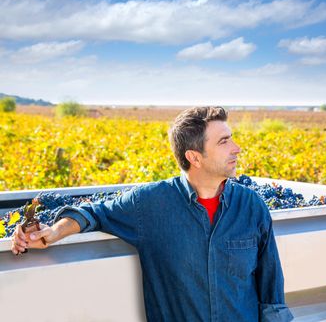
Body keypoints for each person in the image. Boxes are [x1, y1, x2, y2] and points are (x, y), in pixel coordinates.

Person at [12, 106, 294, 322]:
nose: (236, 148)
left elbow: (272, 296)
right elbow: (93, 213)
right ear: (194, 157)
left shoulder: (252, 207)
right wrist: (52, 233)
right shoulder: (149, 205)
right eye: (223, 142)